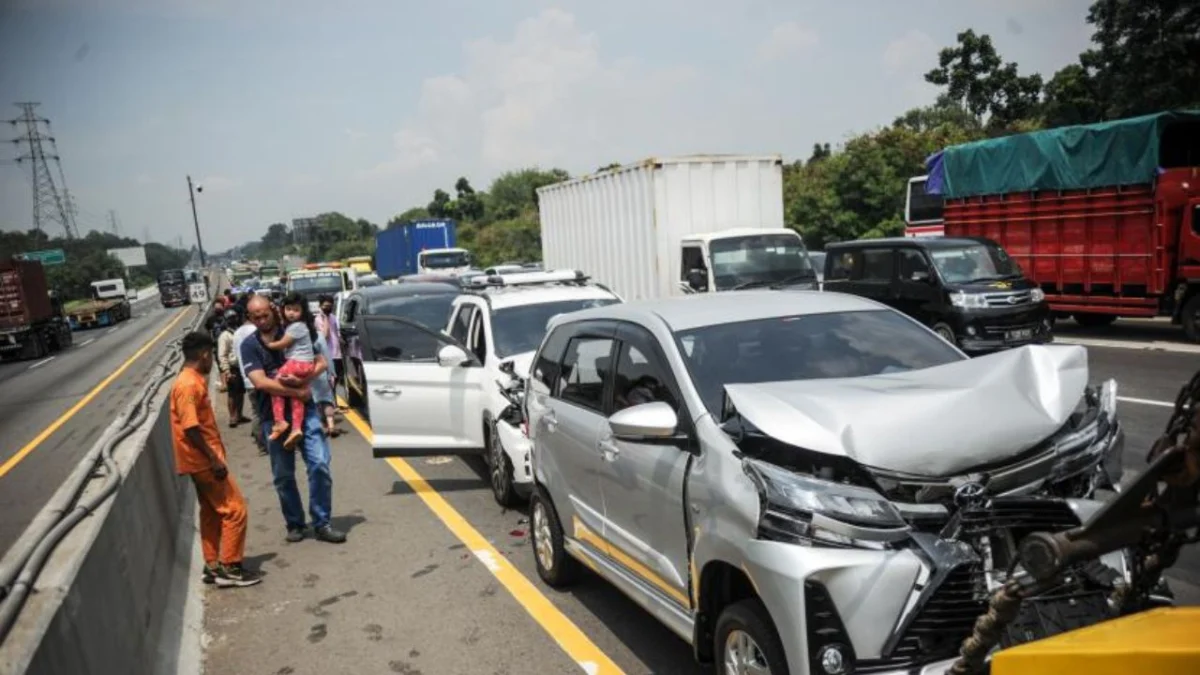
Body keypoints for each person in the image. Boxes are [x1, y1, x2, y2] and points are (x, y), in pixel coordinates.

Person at [240, 295, 346, 544]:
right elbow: (260, 382)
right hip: (273, 418)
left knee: (319, 464)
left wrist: (305, 379)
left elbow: (321, 361)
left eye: (265, 314)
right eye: (256, 317)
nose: (262, 320)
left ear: (273, 310)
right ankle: (295, 523)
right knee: (283, 474)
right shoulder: (249, 345)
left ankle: (322, 522)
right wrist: (296, 391)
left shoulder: (296, 330)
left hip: (306, 411)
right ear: (250, 317)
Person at [169, 331, 262, 587]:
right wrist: (213, 459)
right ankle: (231, 566)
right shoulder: (188, 384)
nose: (212, 362)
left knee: (211, 513)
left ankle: (212, 565)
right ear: (204, 354)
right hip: (203, 461)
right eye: (211, 356)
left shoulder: (190, 380)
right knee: (235, 510)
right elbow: (190, 427)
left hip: (197, 461)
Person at [262, 293, 318, 449]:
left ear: (303, 312)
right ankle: (296, 429)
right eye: (288, 309)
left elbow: (282, 344)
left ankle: (279, 421)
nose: (291, 313)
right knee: (295, 396)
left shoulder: (297, 326)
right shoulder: (298, 326)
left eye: (296, 310)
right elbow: (281, 321)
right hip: (305, 366)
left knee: (275, 386)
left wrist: (268, 344)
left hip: (297, 363)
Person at [216, 308, 251, 427]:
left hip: (242, 366)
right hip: (232, 368)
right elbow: (222, 355)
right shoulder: (224, 336)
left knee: (241, 393)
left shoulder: (239, 332)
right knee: (232, 394)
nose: (233, 320)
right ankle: (232, 417)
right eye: (230, 318)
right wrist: (226, 371)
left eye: (234, 317)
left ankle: (239, 415)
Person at [314, 295, 345, 405]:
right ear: (320, 306)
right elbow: (325, 335)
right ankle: (330, 404)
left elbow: (337, 334)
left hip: (337, 354)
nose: (328, 308)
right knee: (329, 381)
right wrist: (325, 318)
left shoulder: (333, 317)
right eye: (325, 306)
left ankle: (332, 402)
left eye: (330, 306)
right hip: (327, 354)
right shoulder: (318, 319)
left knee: (335, 380)